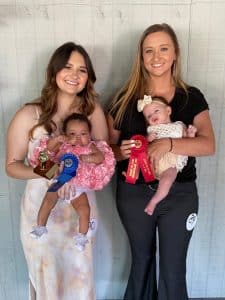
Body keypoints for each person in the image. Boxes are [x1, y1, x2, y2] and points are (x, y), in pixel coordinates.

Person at [108, 23, 215, 300]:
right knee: (141, 263)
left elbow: (207, 144)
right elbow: (105, 150)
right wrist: (123, 152)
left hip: (180, 194)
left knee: (173, 268)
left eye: (164, 48)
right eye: (149, 51)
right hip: (133, 193)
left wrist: (168, 143)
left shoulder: (191, 97)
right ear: (141, 57)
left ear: (176, 53)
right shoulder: (122, 99)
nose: (157, 57)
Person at [5, 42, 108, 299]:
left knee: (80, 278)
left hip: (79, 211)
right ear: (54, 71)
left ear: (88, 77)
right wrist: (47, 171)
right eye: (67, 67)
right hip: (41, 211)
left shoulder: (92, 112)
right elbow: (12, 166)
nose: (74, 75)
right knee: (47, 278)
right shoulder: (29, 114)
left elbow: (104, 156)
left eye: (82, 70)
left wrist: (92, 159)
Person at [29, 113, 115, 251]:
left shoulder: (91, 146)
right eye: (72, 134)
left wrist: (90, 158)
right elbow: (47, 151)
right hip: (60, 181)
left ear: (89, 134)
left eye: (83, 133)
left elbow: (100, 157)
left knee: (84, 210)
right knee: (47, 201)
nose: (78, 138)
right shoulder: (63, 145)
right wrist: (57, 140)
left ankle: (82, 237)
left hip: (78, 188)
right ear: (65, 134)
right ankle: (40, 227)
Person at [137, 95, 196, 215]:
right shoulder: (152, 130)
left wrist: (191, 134)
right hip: (153, 161)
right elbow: (143, 145)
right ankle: (132, 174)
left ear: (168, 111)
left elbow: (188, 143)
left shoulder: (179, 126)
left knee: (167, 180)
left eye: (156, 111)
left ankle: (154, 201)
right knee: (139, 158)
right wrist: (148, 139)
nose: (153, 116)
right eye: (149, 116)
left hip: (171, 163)